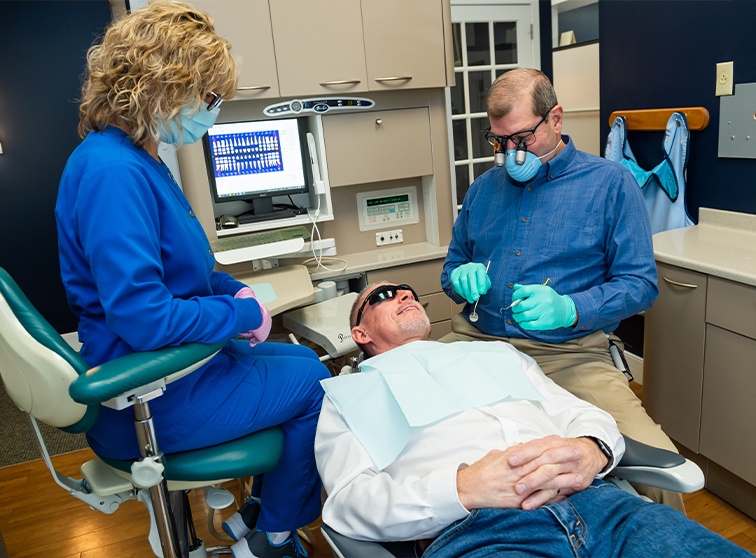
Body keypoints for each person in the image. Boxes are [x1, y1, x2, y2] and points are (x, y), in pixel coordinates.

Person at [54, 4, 325, 557]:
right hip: (147, 399)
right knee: (318, 387)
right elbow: (143, 316)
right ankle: (274, 535)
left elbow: (186, 270)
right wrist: (243, 314)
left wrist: (231, 291)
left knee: (304, 360)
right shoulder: (114, 174)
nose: (212, 113)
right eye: (208, 98)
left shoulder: (135, 157)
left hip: (174, 374)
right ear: (164, 86)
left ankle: (260, 512)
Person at [314, 282, 751, 557]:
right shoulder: (348, 396)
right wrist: (462, 489)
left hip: (607, 509)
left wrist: (592, 448)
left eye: (408, 291)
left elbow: (580, 413)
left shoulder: (495, 352)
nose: (404, 296)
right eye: (384, 297)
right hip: (482, 533)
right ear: (361, 334)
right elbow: (349, 505)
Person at [440, 68, 683, 511]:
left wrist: (572, 308)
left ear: (555, 118)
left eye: (522, 138)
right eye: (499, 141)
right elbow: (452, 265)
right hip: (475, 341)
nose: (511, 154)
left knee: (662, 474)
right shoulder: (482, 190)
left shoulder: (610, 184)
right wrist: (459, 276)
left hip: (569, 353)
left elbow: (641, 285)